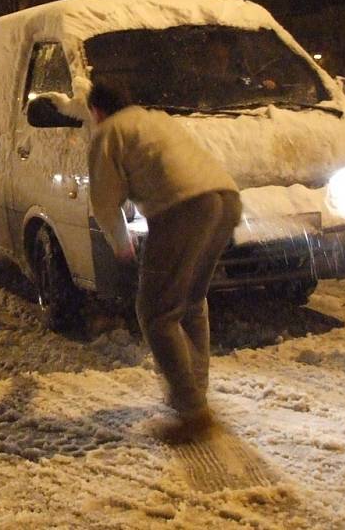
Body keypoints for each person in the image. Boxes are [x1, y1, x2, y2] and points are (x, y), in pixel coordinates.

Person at [87, 82, 242, 441]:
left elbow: (105, 200)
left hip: (182, 208)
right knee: (189, 302)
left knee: (156, 313)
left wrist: (120, 242)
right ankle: (196, 397)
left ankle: (192, 414)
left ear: (97, 111)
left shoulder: (108, 132)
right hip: (225, 199)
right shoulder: (155, 120)